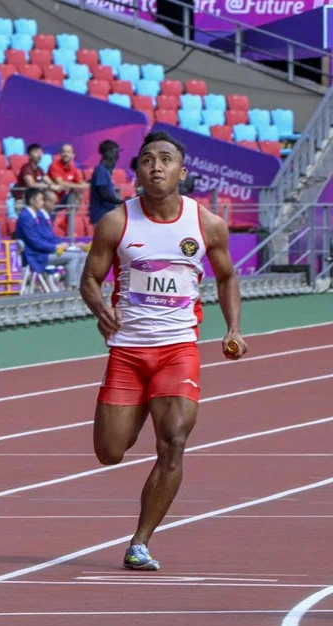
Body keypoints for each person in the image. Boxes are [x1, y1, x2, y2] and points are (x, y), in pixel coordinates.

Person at [79, 131, 248, 571]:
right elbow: (90, 280)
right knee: (110, 452)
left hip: (178, 350)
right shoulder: (117, 223)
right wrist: (100, 310)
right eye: (148, 159)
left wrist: (233, 328)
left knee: (173, 442)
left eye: (165, 159)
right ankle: (131, 416)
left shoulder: (206, 223)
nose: (156, 166)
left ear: (181, 171)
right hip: (129, 352)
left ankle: (140, 542)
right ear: (136, 171)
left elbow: (227, 277)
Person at [15, 187, 85, 290]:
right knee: (75, 257)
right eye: (41, 199)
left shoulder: (32, 216)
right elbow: (35, 242)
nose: (43, 203)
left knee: (82, 255)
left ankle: (77, 286)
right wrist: (56, 247)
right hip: (36, 255)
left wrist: (68, 245)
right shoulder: (26, 217)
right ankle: (71, 288)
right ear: (32, 200)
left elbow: (46, 237)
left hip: (43, 252)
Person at [88, 139, 125, 226]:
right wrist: (121, 202)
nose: (117, 156)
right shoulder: (100, 170)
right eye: (115, 152)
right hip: (101, 216)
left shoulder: (105, 171)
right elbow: (104, 194)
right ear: (108, 153)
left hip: (107, 215)